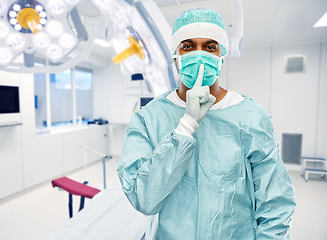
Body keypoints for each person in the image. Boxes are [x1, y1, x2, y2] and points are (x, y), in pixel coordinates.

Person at [117, 8, 296, 240]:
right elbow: (144, 198)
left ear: (222, 56)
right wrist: (186, 126)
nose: (199, 55)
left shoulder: (251, 116)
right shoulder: (149, 118)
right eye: (188, 46)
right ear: (175, 55)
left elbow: (275, 203)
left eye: (210, 47)